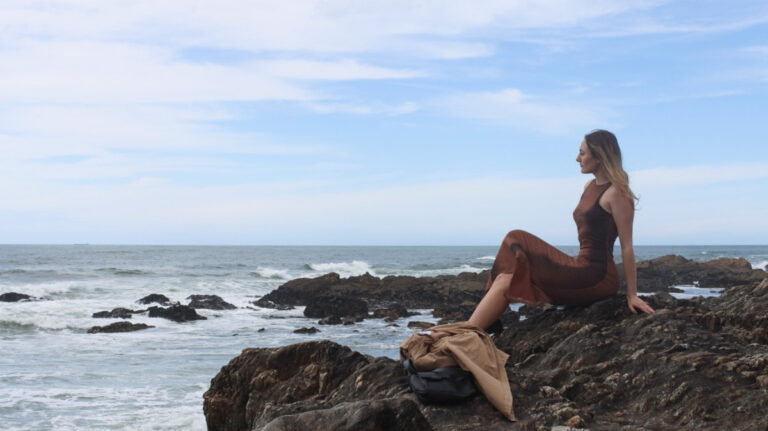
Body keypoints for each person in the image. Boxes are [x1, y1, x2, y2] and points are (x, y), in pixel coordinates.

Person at [469, 130, 655, 330]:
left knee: (516, 237)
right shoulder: (589, 186)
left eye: (582, 153)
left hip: (597, 277)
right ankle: (474, 330)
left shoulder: (617, 193)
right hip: (580, 266)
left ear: (599, 156)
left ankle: (469, 333)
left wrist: (632, 294)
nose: (577, 158)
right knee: (506, 279)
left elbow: (627, 246)